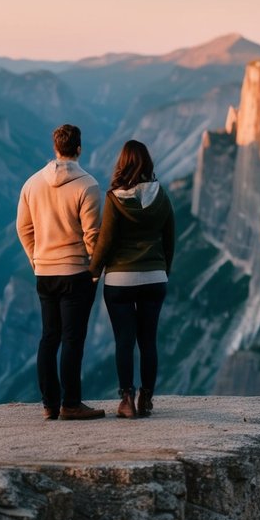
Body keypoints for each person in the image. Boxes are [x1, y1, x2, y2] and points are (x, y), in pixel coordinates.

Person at [16, 124, 106, 421]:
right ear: (79, 148)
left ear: (55, 148)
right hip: (75, 272)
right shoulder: (88, 185)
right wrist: (94, 271)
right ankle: (71, 403)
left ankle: (48, 405)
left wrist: (35, 258)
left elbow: (23, 228)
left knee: (48, 338)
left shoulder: (31, 184)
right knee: (72, 340)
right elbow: (92, 235)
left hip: (44, 273)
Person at [89, 140, 175, 419]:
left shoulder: (114, 198)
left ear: (122, 164)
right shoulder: (161, 195)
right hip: (154, 277)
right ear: (147, 163)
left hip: (120, 281)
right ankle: (147, 399)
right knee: (148, 341)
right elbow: (170, 237)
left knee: (124, 341)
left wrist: (93, 271)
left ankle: (126, 399)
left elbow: (106, 241)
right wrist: (164, 269)